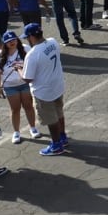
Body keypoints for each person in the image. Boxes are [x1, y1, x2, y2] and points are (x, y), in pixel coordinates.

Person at [20, 23, 69, 156]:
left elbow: (27, 78)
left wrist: (19, 68)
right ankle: (63, 136)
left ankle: (56, 145)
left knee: (50, 118)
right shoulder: (53, 42)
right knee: (59, 113)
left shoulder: (33, 54)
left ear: (31, 37)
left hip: (43, 91)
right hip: (57, 86)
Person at [0, 30, 41, 144]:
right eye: (8, 41)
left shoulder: (25, 49)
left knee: (28, 106)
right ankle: (16, 132)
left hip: (25, 84)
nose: (12, 43)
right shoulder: (0, 55)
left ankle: (33, 128)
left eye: (13, 40)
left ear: (17, 39)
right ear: (5, 43)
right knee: (15, 109)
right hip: (10, 86)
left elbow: (34, 63)